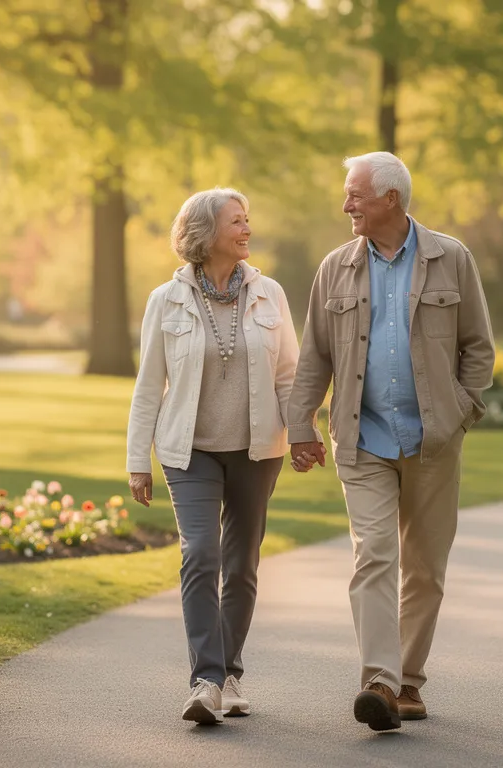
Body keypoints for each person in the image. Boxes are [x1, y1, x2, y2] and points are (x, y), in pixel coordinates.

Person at [286, 152, 495, 731]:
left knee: (425, 567)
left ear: (391, 200)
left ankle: (407, 682)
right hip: (363, 437)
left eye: (355, 194)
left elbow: (478, 345)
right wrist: (300, 423)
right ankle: (378, 680)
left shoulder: (451, 258)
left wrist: (462, 410)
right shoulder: (334, 267)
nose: (346, 204)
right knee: (374, 553)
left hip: (434, 440)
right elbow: (315, 357)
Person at [126, 188, 299, 724]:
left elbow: (289, 374)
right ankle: (205, 680)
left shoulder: (269, 293)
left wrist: (304, 432)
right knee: (200, 553)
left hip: (256, 450)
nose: (247, 229)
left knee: (242, 564)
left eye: (248, 220)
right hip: (189, 451)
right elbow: (149, 385)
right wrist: (138, 458)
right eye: (236, 222)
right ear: (205, 233)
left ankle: (230, 676)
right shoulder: (166, 300)